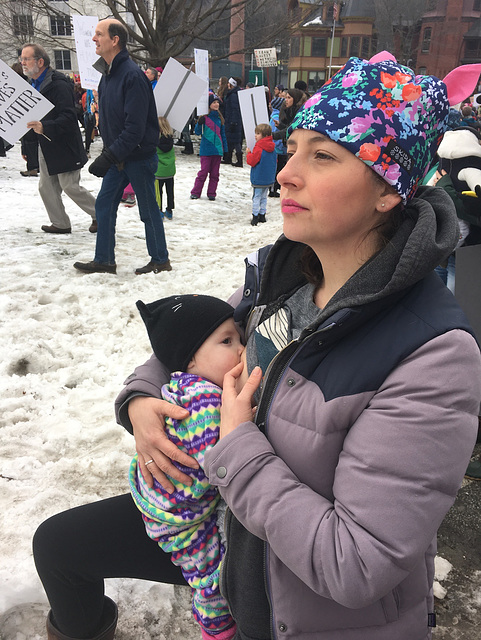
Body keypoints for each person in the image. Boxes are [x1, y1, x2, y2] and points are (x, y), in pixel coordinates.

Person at [33, 53, 481, 640]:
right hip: (223, 528)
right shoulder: (284, 270)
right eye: (293, 149)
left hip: (291, 597)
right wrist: (141, 401)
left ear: (388, 192)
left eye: (323, 155)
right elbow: (195, 335)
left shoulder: (434, 351)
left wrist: (236, 444)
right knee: (59, 546)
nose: (286, 172)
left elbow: (355, 564)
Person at [130, 294, 243, 640]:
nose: (241, 348)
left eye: (239, 337)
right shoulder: (208, 402)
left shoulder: (188, 385)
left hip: (163, 497)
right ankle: (217, 629)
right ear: (190, 359)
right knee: (211, 572)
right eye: (227, 341)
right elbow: (222, 463)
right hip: (178, 518)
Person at [73, 19, 171, 276]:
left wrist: (108, 156)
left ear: (114, 40)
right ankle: (104, 260)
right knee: (104, 206)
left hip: (138, 158)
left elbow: (135, 129)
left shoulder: (132, 76)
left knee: (148, 211)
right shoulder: (107, 75)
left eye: (99, 34)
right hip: (119, 158)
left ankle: (160, 260)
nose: (94, 39)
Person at [20, 44, 97, 235]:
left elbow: (69, 117)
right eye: (21, 59)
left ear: (40, 61)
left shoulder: (59, 84)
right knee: (46, 187)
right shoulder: (32, 85)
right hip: (46, 144)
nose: (22, 63)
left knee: (70, 186)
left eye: (26, 59)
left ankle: (101, 215)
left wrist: (45, 126)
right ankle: (60, 223)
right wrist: (26, 145)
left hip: (65, 145)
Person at [190, 95, 227, 201]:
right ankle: (196, 192)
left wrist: (225, 149)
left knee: (215, 174)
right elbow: (197, 132)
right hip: (206, 150)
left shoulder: (220, 119)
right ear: (209, 105)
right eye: (214, 102)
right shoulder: (204, 118)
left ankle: (211, 193)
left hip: (217, 150)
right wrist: (198, 123)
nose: (216, 104)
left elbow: (223, 135)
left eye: (217, 102)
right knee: (203, 172)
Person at [246, 123, 276, 225]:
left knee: (256, 197)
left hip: (258, 177)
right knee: (264, 197)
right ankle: (262, 215)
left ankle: (255, 216)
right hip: (268, 178)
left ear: (264, 135)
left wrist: (248, 154)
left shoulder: (259, 147)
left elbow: (252, 161)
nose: (255, 135)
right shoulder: (272, 147)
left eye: (258, 133)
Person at [155, 116, 176, 220]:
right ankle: (169, 210)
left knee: (158, 192)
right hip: (170, 171)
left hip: (159, 171)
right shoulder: (170, 139)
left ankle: (158, 210)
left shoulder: (155, 141)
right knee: (170, 191)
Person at [222, 78, 243, 167]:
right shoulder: (233, 94)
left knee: (235, 141)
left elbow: (235, 109)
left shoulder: (233, 95)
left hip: (233, 122)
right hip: (233, 121)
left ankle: (239, 160)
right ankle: (228, 158)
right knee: (230, 140)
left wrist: (233, 122)